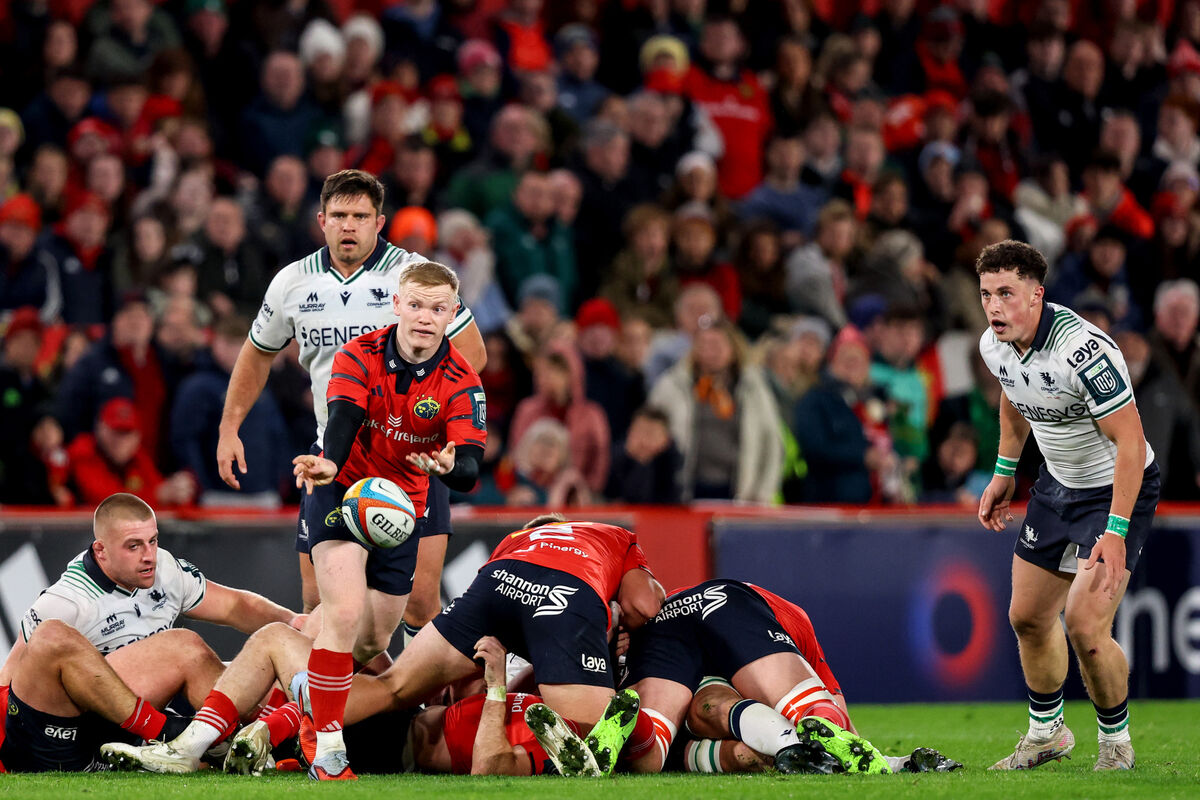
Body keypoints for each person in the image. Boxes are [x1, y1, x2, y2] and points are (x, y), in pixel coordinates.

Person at [101, 515, 666, 778]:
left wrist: (503, 678)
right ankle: (593, 751)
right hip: (562, 602)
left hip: (494, 586)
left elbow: (449, 679)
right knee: (602, 724)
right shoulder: (612, 536)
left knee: (387, 681)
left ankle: (266, 734)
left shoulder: (516, 541)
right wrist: (618, 620)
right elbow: (647, 604)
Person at [215, 169, 487, 649]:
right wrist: (229, 426)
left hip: (411, 457)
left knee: (421, 602)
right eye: (339, 215)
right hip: (335, 451)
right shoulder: (292, 283)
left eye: (360, 216)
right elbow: (258, 352)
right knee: (318, 601)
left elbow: (474, 355)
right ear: (321, 220)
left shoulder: (413, 275)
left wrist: (424, 407)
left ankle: (418, 712)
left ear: (379, 222)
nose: (349, 226)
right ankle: (330, 709)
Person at [285, 259, 487, 779]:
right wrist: (330, 461)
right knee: (344, 610)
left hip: (402, 511)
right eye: (415, 304)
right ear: (396, 305)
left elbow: (468, 467)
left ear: (453, 314)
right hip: (341, 489)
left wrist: (451, 465)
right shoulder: (358, 354)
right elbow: (346, 416)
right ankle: (328, 750)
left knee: (372, 641)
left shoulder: (463, 381)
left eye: (437, 308)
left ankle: (293, 694)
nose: (424, 317)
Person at [975, 240, 1160, 772]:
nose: (994, 307)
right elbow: (1012, 396)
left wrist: (1117, 530)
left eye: (1006, 293)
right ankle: (1046, 735)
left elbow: (1130, 442)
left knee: (1083, 624)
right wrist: (1005, 472)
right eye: (987, 293)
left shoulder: (1084, 351)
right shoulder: (996, 344)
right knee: (1028, 618)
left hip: (1116, 489)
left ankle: (1116, 743)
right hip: (1058, 485)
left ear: (1037, 295)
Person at [0, 493, 303, 772]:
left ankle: (261, 740)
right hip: (60, 735)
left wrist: (296, 625)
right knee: (181, 646)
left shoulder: (164, 570)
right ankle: (175, 736)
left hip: (119, 727)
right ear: (101, 550)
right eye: (134, 546)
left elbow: (236, 606)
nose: (149, 555)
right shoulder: (67, 600)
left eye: (153, 541)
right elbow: (9, 686)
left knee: (240, 666)